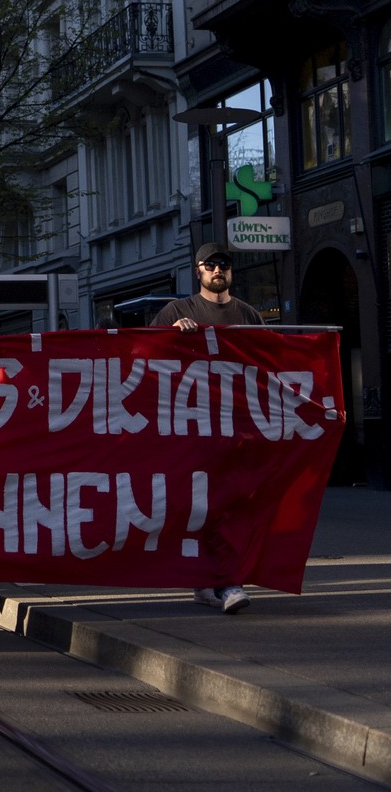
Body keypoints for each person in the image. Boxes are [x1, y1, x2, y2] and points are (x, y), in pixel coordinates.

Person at [151, 242, 264, 615]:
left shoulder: (248, 314)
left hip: (239, 426)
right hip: (192, 427)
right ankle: (222, 581)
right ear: (197, 271)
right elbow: (143, 357)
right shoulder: (177, 311)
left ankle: (216, 581)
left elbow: (269, 363)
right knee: (204, 505)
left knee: (232, 504)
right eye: (209, 265)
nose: (218, 271)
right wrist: (172, 335)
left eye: (224, 265)